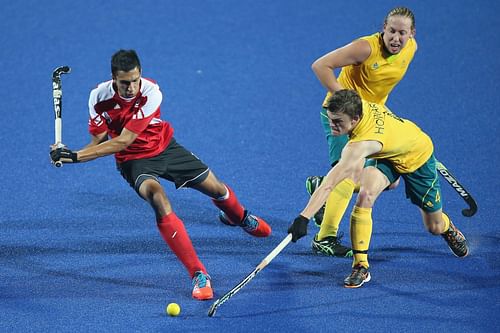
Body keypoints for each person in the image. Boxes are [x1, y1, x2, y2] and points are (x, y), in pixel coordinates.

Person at [50, 49, 272, 301]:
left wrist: (76, 157)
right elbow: (99, 141)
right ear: (113, 78)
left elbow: (124, 139)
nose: (131, 87)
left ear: (140, 74)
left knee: (217, 189)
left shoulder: (151, 91)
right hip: (134, 162)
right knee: (158, 198)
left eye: (135, 80)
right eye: (124, 83)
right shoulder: (97, 97)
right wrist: (69, 153)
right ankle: (198, 273)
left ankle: (239, 217)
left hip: (165, 147)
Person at [288, 89, 469, 288]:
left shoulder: (359, 146)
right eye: (331, 119)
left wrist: (304, 217)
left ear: (355, 118)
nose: (332, 125)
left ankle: (448, 228)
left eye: (338, 122)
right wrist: (304, 216)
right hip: (387, 154)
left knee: (434, 227)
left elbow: (330, 183)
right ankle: (360, 266)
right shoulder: (358, 102)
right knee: (365, 195)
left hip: (418, 157)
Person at [306, 7, 417, 258]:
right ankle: (325, 238)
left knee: (390, 181)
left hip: (370, 119)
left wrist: (379, 111)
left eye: (402, 33)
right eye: (391, 31)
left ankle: (323, 188)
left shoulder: (411, 48)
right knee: (347, 173)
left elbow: (378, 87)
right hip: (343, 116)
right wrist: (343, 98)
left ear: (411, 34)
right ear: (383, 29)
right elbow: (320, 65)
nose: (396, 38)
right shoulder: (365, 48)